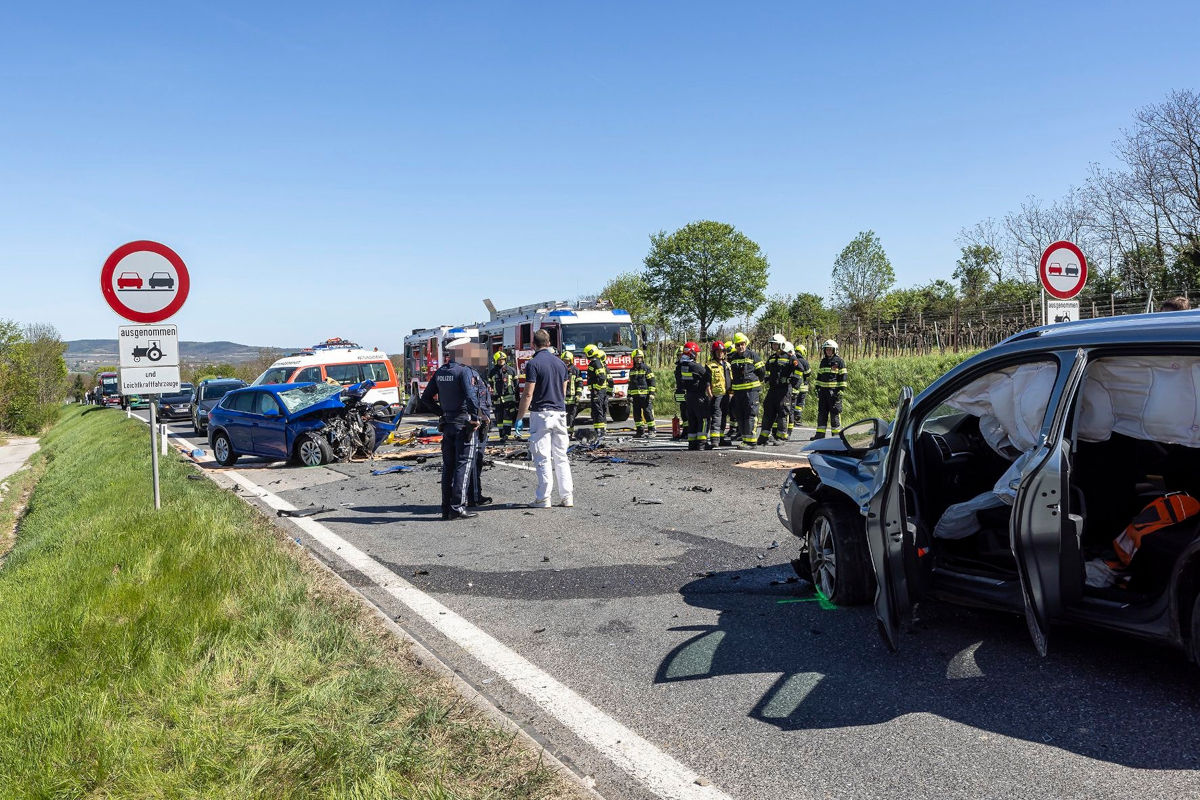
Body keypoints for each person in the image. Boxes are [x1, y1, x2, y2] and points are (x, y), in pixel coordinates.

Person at [419, 335, 481, 520]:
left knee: (448, 467)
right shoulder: (464, 371)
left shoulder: (441, 372)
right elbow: (471, 397)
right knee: (464, 464)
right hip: (463, 424)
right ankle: (457, 507)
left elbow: (425, 399)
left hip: (448, 424)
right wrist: (475, 418)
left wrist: (441, 413)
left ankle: (446, 508)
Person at [515, 329, 574, 508]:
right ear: (549, 343)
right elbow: (563, 392)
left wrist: (520, 417)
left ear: (534, 344)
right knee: (561, 456)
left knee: (542, 456)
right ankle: (567, 497)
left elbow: (528, 394)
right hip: (560, 413)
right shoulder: (561, 364)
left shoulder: (533, 364)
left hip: (541, 413)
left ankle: (543, 498)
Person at [728, 332, 764, 448]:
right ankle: (745, 439)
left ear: (746, 343)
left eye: (742, 344)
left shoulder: (753, 355)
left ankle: (751, 441)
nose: (740, 347)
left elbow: (762, 371)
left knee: (750, 415)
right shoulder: (733, 358)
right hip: (738, 392)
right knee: (740, 415)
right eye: (738, 345)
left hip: (751, 391)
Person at [674, 341, 712, 450]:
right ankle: (702, 443)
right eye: (696, 353)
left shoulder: (679, 367)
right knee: (704, 419)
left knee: (692, 420)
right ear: (692, 353)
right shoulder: (696, 366)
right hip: (699, 396)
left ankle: (692, 443)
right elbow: (707, 376)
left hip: (688, 397)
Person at [758, 333, 794, 445]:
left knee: (782, 412)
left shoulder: (789, 357)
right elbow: (767, 370)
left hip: (784, 390)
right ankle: (764, 436)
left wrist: (791, 381)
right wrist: (767, 378)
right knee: (768, 411)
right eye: (772, 344)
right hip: (773, 389)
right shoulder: (772, 358)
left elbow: (799, 370)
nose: (774, 346)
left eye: (776, 344)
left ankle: (781, 437)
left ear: (781, 345)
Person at [468, 359, 493, 508]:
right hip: (477, 422)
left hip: (480, 420)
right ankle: (474, 496)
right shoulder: (471, 376)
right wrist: (481, 417)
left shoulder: (477, 375)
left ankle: (471, 495)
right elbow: (474, 399)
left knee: (474, 461)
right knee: (475, 461)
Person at [812, 339, 848, 440]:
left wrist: (841, 390)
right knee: (822, 413)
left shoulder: (839, 362)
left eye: (830, 350)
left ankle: (836, 436)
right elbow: (819, 376)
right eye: (826, 350)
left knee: (835, 413)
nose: (828, 351)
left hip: (834, 393)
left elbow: (843, 377)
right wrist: (817, 387)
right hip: (823, 393)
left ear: (834, 350)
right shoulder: (823, 362)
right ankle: (820, 435)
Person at [487, 350, 518, 442]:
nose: (501, 361)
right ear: (496, 361)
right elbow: (490, 385)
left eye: (503, 360)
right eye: (499, 360)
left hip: (509, 398)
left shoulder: (511, 370)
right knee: (499, 418)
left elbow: (516, 384)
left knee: (508, 417)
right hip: (497, 399)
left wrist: (517, 399)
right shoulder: (492, 372)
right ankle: (501, 434)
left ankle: (507, 434)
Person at [583, 343, 609, 444]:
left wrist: (597, 389)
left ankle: (600, 431)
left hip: (598, 391)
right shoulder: (595, 363)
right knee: (596, 410)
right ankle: (598, 430)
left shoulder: (596, 363)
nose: (585, 356)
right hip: (596, 391)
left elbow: (602, 377)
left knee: (598, 411)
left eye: (586, 354)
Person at [627, 349, 657, 437]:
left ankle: (652, 430)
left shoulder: (646, 368)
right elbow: (630, 384)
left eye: (640, 358)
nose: (638, 359)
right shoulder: (632, 370)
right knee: (636, 415)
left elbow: (652, 381)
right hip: (635, 397)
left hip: (645, 396)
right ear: (633, 359)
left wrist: (651, 393)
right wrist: (629, 395)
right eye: (636, 358)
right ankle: (640, 431)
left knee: (647, 413)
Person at [708, 341, 731, 449]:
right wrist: (710, 395)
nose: (720, 353)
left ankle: (721, 438)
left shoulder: (727, 365)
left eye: (722, 351)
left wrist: (731, 394)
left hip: (726, 395)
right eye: (718, 351)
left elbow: (731, 379)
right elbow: (707, 383)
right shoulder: (710, 366)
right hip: (716, 396)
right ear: (714, 352)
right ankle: (714, 440)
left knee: (723, 417)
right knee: (717, 417)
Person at [788, 342, 811, 436]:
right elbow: (808, 373)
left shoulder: (792, 359)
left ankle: (792, 418)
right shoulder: (805, 362)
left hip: (794, 386)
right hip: (803, 387)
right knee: (799, 404)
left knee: (792, 403)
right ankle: (797, 418)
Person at [560, 349, 582, 440]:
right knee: (562, 417)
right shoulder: (560, 370)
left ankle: (570, 433)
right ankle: (562, 433)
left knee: (572, 416)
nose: (566, 362)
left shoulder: (576, 370)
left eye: (568, 360)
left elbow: (580, 383)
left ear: (571, 360)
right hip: (562, 398)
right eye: (564, 360)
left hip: (573, 398)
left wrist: (578, 394)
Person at [671, 345, 688, 440]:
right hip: (680, 391)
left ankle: (688, 431)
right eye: (679, 355)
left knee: (688, 412)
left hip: (687, 392)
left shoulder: (687, 366)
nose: (680, 357)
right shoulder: (678, 367)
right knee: (683, 412)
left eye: (682, 355)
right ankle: (685, 430)